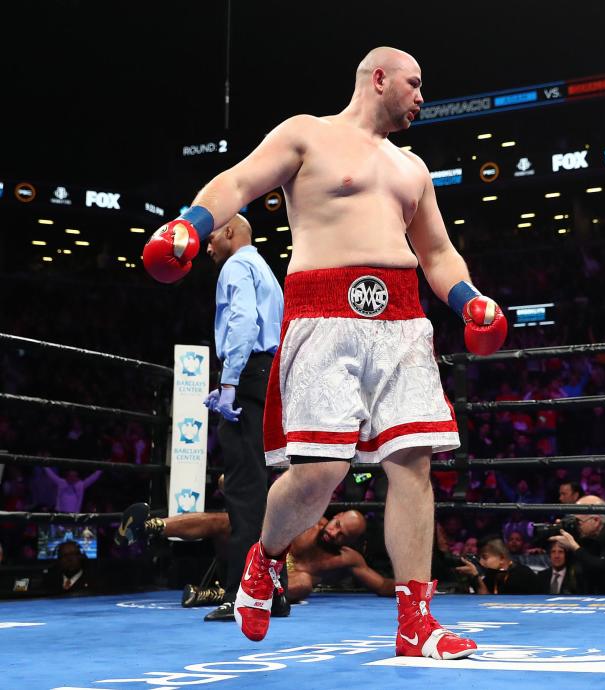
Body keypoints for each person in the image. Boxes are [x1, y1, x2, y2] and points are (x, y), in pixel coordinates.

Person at [142, 46, 507, 659]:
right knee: (320, 472)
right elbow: (238, 181)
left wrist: (470, 299)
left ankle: (417, 622)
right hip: (322, 311)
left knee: (413, 463)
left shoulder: (412, 167)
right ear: (380, 78)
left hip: (403, 317)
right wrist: (191, 225)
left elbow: (437, 254)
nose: (423, 96)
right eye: (415, 84)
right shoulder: (307, 134)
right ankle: (265, 557)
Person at [197, 214, 285, 622]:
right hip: (265, 374)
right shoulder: (264, 268)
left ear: (230, 231)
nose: (207, 247)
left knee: (244, 488)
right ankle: (272, 590)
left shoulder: (235, 265)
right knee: (262, 486)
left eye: (210, 236)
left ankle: (243, 595)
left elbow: (244, 322)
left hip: (249, 373)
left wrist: (230, 381)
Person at [117, 504, 388, 601]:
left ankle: (222, 595)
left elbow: (382, 585)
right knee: (227, 520)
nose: (334, 533)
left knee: (304, 583)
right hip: (251, 556)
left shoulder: (347, 559)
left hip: (270, 587)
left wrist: (419, 581)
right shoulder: (307, 518)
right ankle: (151, 526)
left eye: (343, 535)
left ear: (350, 541)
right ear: (336, 516)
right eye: (337, 524)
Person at [549, 495, 605, 594]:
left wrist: (574, 547)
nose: (577, 526)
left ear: (596, 521)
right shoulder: (591, 535)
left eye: (579, 522)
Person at [454, 538, 542, 594]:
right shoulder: (492, 574)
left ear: (502, 558)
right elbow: (485, 598)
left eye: (485, 557)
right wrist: (474, 577)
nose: (481, 562)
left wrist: (476, 576)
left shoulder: (522, 575)